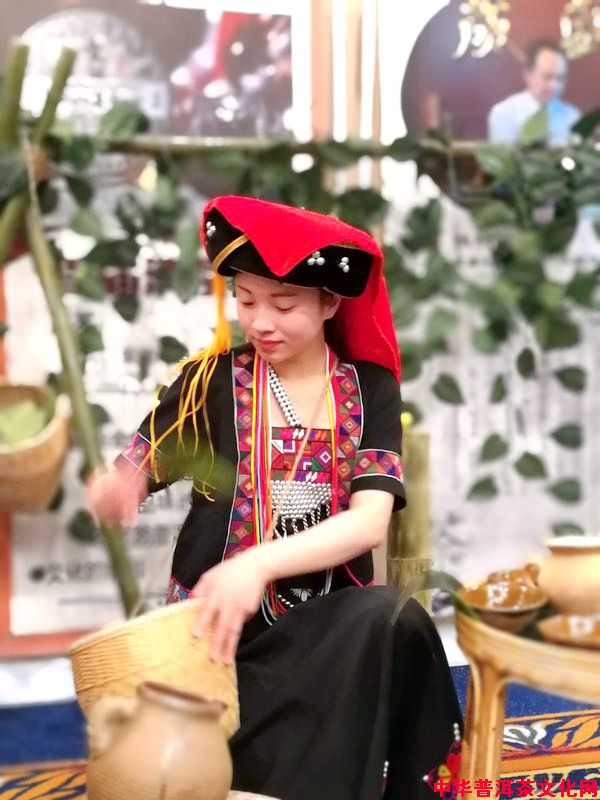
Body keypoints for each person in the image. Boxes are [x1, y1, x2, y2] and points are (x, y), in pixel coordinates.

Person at [87, 195, 463, 800]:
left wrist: (256, 565)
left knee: (393, 616)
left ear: (329, 302)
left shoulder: (370, 389)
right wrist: (117, 485)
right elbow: (136, 467)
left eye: (283, 304)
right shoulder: (208, 383)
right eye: (246, 300)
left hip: (326, 641)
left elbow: (369, 524)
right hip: (218, 641)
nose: (261, 321)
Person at [488, 39, 580, 145]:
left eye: (560, 78)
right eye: (547, 77)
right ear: (527, 74)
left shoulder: (572, 116)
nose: (554, 86)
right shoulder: (504, 113)